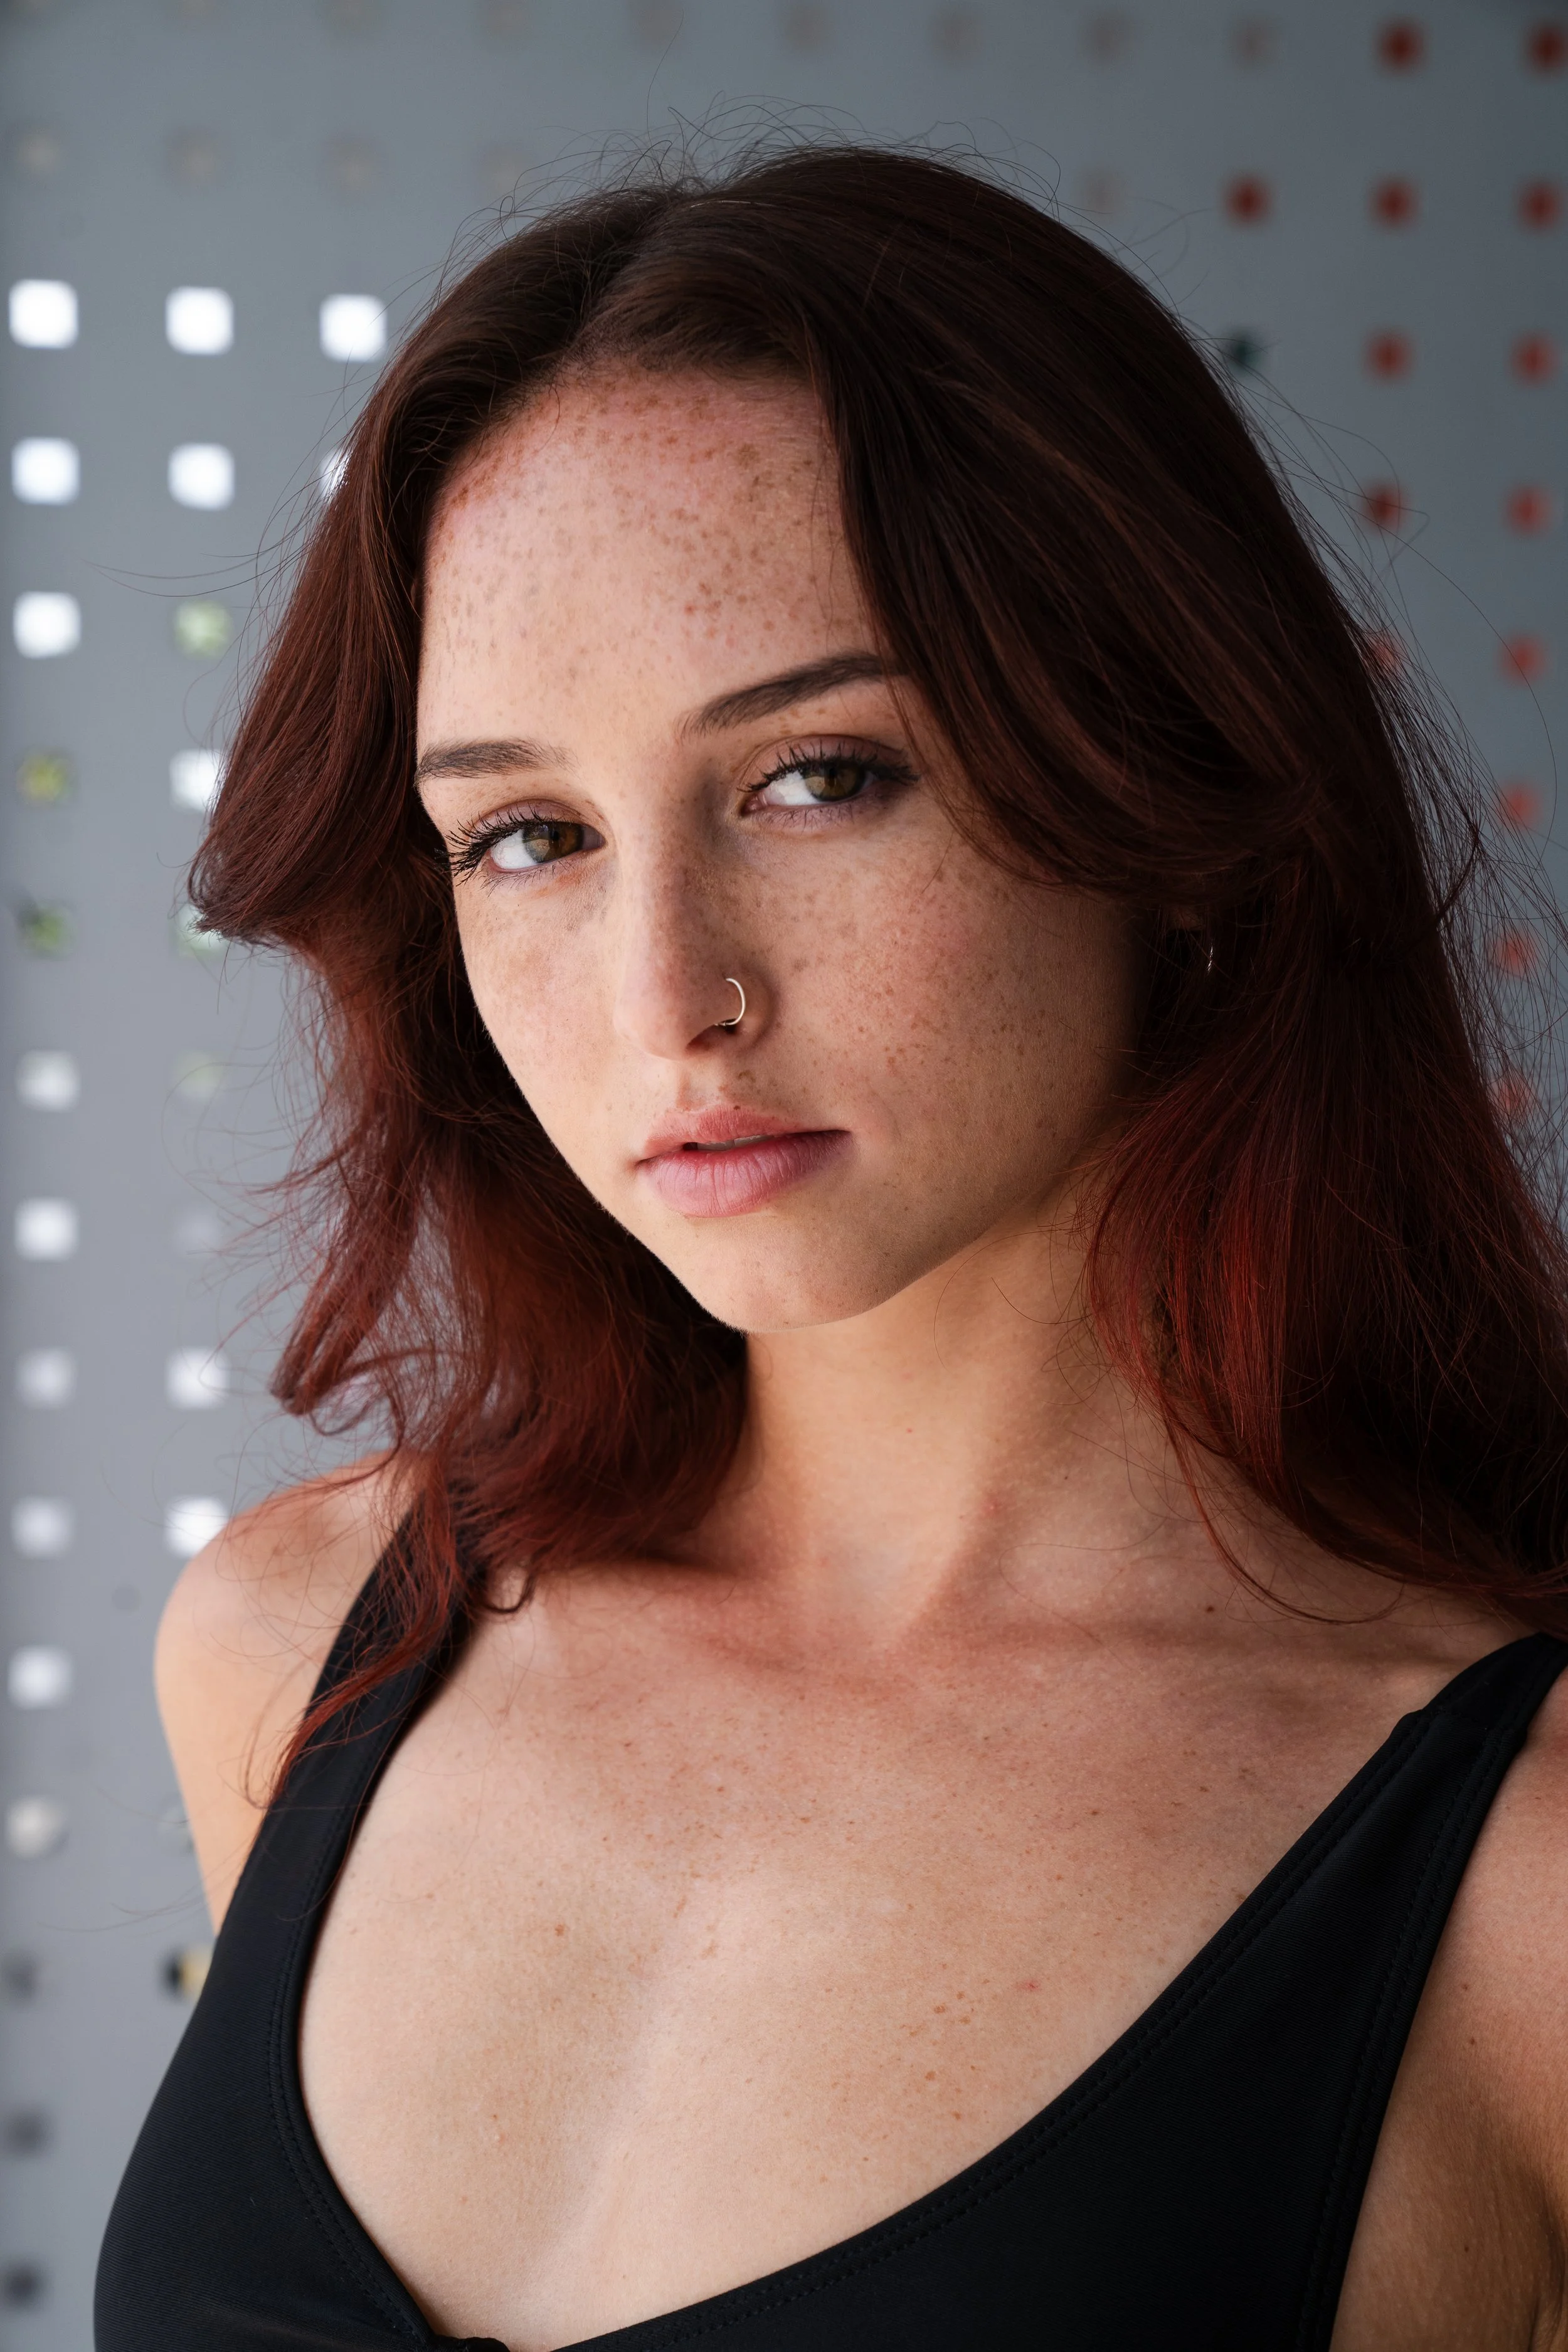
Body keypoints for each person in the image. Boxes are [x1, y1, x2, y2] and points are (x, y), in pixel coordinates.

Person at [97, 144, 1568, 2352]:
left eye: (815, 778)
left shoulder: (1517, 1895)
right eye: (527, 834)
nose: (661, 994)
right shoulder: (298, 1655)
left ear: (1161, 790)